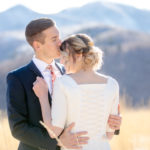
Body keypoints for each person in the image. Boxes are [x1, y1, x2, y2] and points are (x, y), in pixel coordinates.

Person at [6, 18, 121, 150]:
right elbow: (18, 128)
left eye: (59, 37)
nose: (60, 43)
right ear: (37, 45)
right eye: (54, 39)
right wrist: (58, 142)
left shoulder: (70, 71)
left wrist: (114, 123)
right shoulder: (18, 77)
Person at [33, 33, 120, 150]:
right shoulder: (112, 84)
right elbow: (109, 134)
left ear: (79, 55)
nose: (62, 62)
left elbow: (54, 131)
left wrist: (43, 96)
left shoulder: (63, 82)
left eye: (64, 56)